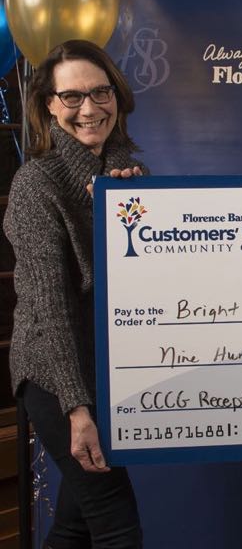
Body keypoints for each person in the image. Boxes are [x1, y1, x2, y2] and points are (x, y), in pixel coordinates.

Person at [4, 40, 147, 548]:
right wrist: (77, 410)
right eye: (72, 97)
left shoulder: (132, 177)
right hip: (52, 372)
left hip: (107, 367)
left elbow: (143, 287)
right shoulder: (34, 185)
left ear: (117, 95)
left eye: (100, 92)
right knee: (115, 522)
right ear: (49, 105)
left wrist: (130, 209)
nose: (89, 109)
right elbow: (51, 308)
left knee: (75, 523)